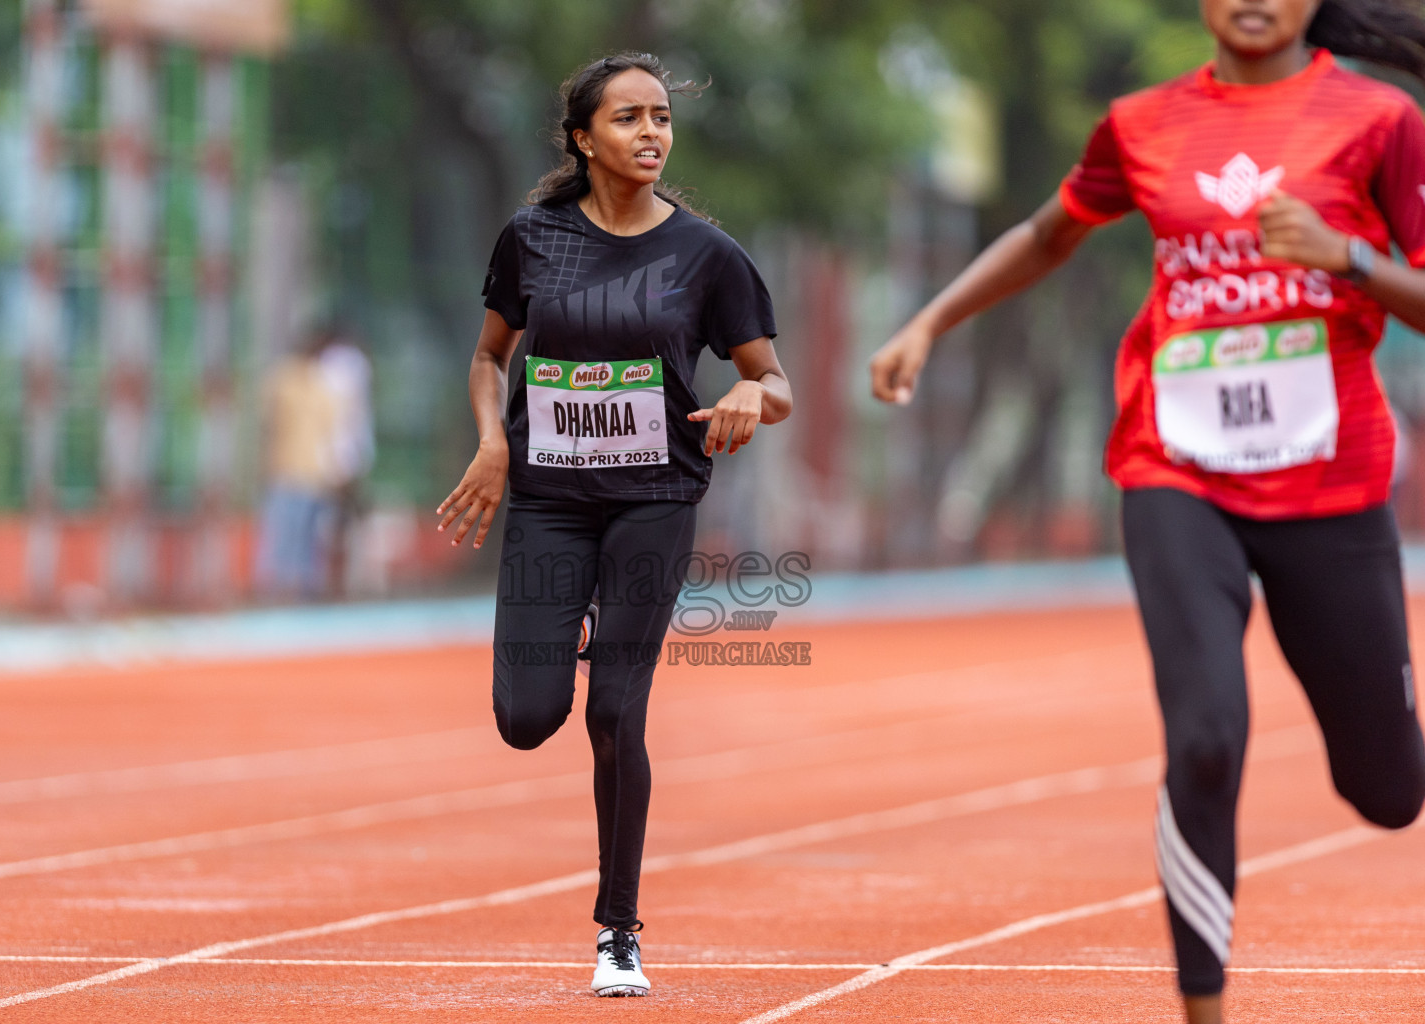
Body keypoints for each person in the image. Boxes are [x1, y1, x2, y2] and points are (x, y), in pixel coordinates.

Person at [868, 2, 1425, 1021]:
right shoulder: (1142, 123)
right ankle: (1202, 1010)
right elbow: (1050, 234)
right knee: (1206, 735)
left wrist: (1346, 258)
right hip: (1175, 467)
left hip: (1328, 477)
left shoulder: (1380, 119)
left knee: (1390, 791)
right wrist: (929, 321)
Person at [436, 52, 791, 997]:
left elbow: (775, 379)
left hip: (654, 498)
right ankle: (580, 618)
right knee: (524, 718)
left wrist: (752, 395)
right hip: (549, 500)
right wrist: (491, 441)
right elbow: (488, 359)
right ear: (583, 138)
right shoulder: (533, 238)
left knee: (615, 710)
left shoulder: (706, 255)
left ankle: (618, 931)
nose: (650, 134)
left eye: (662, 118)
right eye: (629, 118)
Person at [256, 330, 339, 601]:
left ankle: (300, 590)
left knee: (303, 537)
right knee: (287, 535)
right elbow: (270, 425)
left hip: (309, 472)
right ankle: (281, 589)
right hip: (290, 469)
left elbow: (329, 432)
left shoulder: (317, 382)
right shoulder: (287, 380)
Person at [318, 321, 376, 596]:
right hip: (346, 450)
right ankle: (340, 581)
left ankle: (341, 581)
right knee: (339, 519)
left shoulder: (335, 362)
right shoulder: (353, 362)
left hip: (338, 451)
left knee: (338, 518)